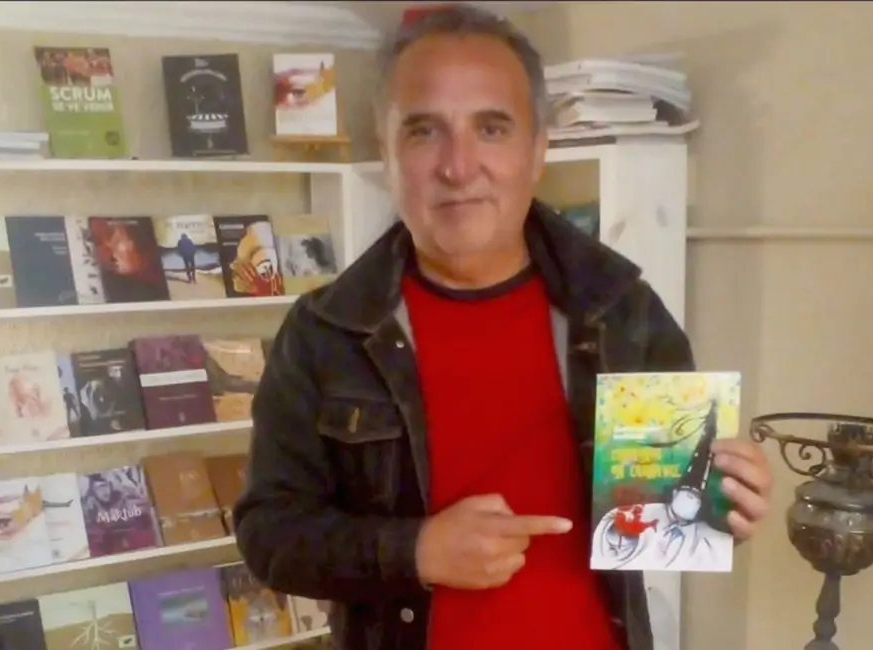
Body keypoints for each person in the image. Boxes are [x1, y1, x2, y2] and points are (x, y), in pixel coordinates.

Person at [233, 5, 774, 650]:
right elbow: (269, 535)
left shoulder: (620, 311)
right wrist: (414, 551)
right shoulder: (326, 333)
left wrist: (722, 499)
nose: (459, 167)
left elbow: (667, 512)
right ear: (387, 152)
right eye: (424, 131)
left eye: (491, 128)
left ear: (538, 149)